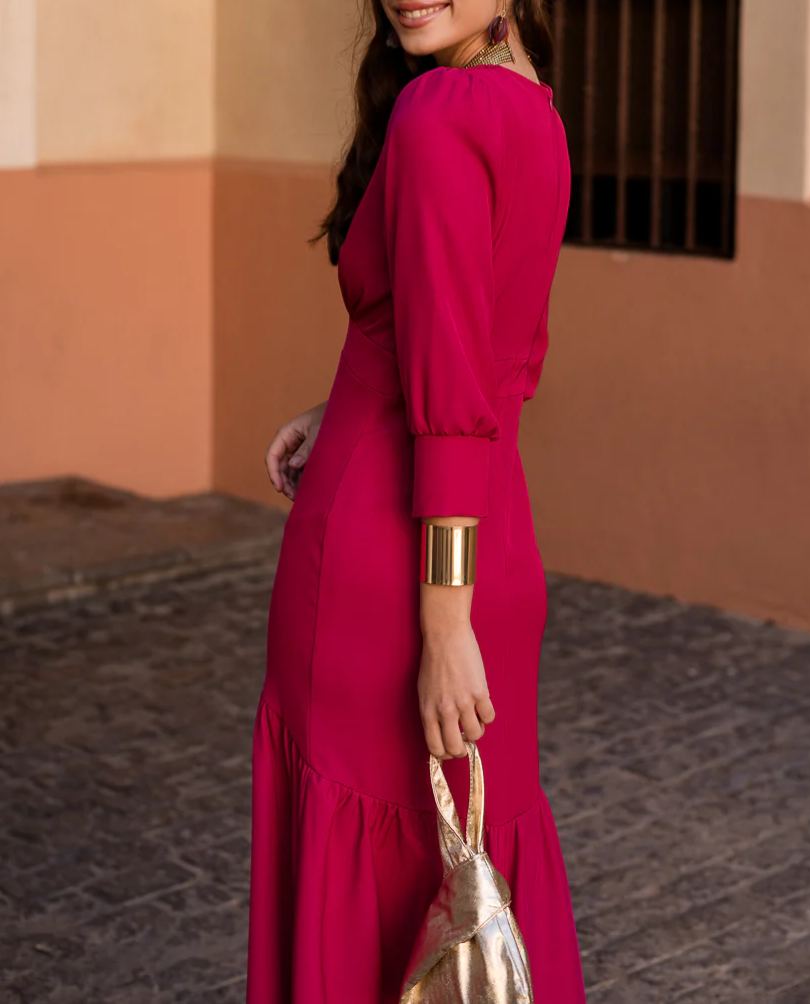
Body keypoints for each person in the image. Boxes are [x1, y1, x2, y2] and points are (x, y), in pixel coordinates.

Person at [247, 1, 586, 1001]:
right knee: (473, 872)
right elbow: (498, 358)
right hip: (493, 531)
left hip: (395, 571)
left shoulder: (437, 112)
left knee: (373, 879)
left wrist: (443, 621)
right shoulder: (536, 110)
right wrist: (346, 400)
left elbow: (452, 376)